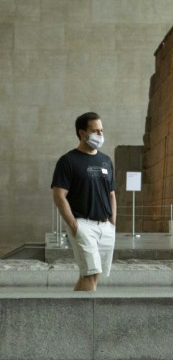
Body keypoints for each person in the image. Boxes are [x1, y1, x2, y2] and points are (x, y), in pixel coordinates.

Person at [51, 112, 116, 291]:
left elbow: (111, 194)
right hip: (82, 224)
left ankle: (75, 313)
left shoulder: (105, 161)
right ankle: (87, 316)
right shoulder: (68, 161)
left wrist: (113, 223)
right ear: (82, 133)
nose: (100, 135)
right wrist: (73, 225)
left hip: (105, 226)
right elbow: (59, 195)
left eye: (101, 130)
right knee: (90, 273)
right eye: (96, 131)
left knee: (93, 273)